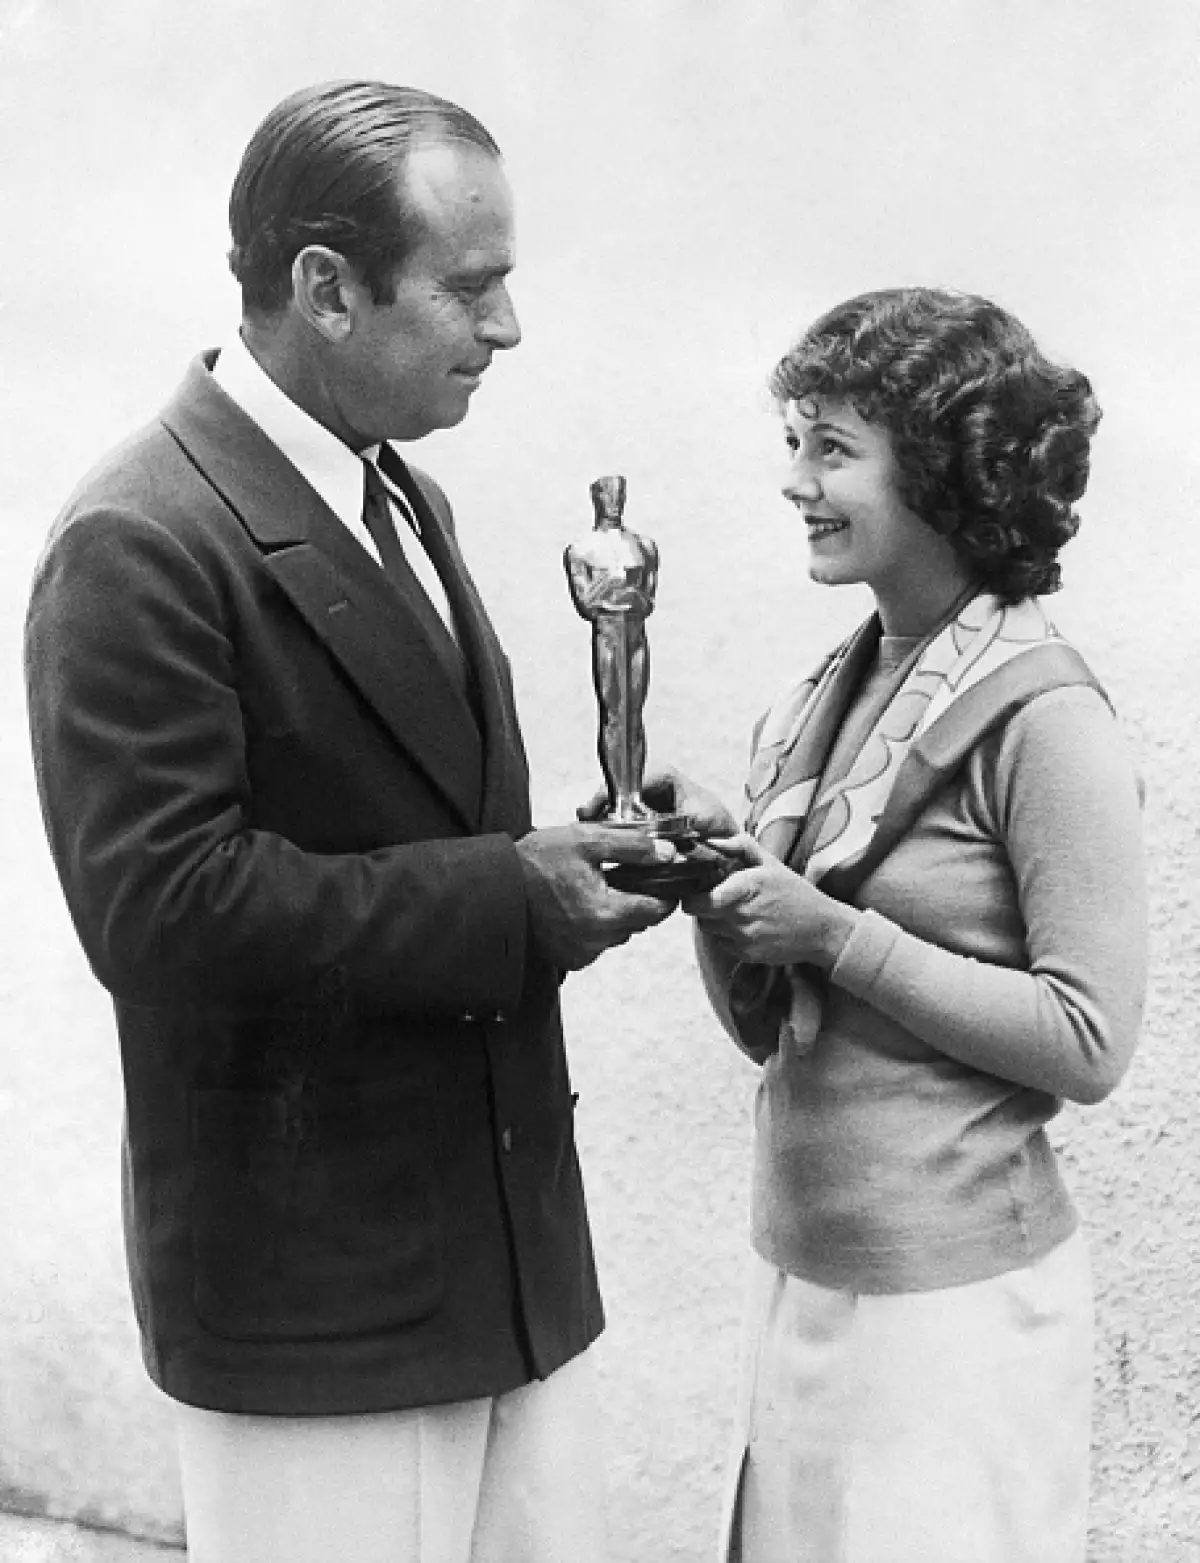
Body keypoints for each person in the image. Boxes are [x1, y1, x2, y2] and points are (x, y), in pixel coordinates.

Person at [23, 79, 681, 1563]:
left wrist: (598, 850)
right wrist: (516, 896)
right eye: (470, 286)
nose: (507, 327)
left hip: (506, 1271)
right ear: (325, 287)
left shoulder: (399, 494)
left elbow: (415, 812)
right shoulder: (141, 536)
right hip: (320, 1312)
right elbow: (162, 911)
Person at [683, 288, 1148, 1563]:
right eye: (796, 441)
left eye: (832, 448)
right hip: (803, 1274)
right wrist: (717, 884)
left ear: (946, 474)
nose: (795, 480)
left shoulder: (1047, 718)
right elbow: (772, 1029)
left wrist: (835, 936)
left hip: (956, 1318)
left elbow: (1090, 1041)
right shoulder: (825, 695)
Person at [564, 474, 659, 821]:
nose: (615, 502)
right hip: (608, 633)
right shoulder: (582, 550)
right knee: (615, 715)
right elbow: (587, 603)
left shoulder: (643, 545)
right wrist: (613, 584)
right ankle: (619, 798)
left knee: (635, 716)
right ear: (597, 498)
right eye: (608, 494)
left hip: (635, 633)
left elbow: (647, 601)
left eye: (620, 494)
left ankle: (635, 796)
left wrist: (623, 590)